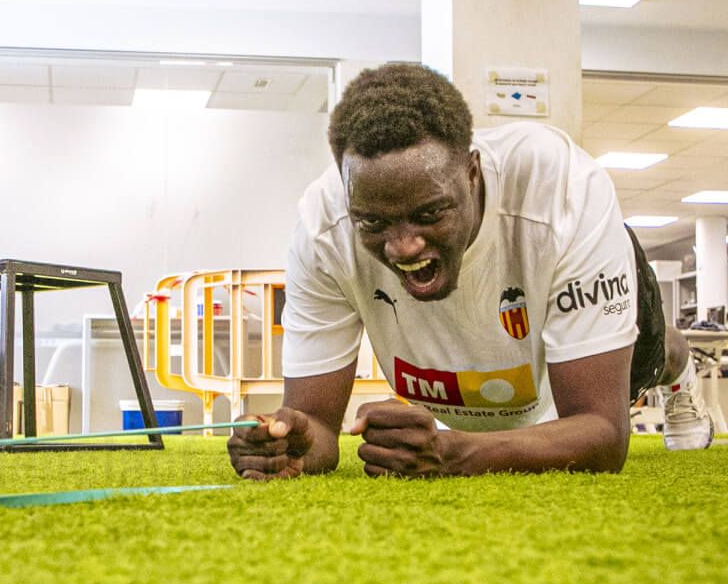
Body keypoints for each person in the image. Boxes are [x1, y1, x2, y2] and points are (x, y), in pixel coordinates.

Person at [228, 62, 715, 481]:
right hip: (486, 367)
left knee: (648, 357)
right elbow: (316, 425)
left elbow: (603, 434)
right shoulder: (323, 229)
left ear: (473, 174)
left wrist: (455, 453)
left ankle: (679, 368)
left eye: (429, 213)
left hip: (567, 292)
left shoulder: (564, 191)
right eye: (373, 222)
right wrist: (291, 443)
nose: (403, 246)